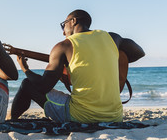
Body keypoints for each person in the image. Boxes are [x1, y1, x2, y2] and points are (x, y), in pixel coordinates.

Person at [11, 9, 145, 123]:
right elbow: (139, 52)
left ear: (73, 21)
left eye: (63, 25)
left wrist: (25, 69)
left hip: (80, 116)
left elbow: (43, 86)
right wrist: (113, 59)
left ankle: (12, 120)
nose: (63, 32)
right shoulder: (112, 38)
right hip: (115, 117)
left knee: (27, 84)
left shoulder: (63, 46)